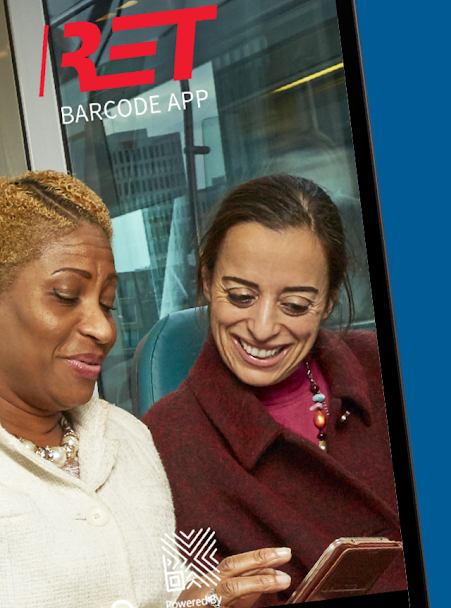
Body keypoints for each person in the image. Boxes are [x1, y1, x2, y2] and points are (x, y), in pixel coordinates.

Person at [0, 170, 292, 608]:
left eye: (107, 304)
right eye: (66, 295)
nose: (104, 329)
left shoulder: (131, 437)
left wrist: (205, 599)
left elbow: (169, 588)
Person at [144, 175, 407, 606]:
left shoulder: (384, 365)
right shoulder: (166, 440)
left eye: (295, 305)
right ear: (207, 281)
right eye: (240, 296)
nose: (263, 328)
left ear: (329, 300)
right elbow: (180, 591)